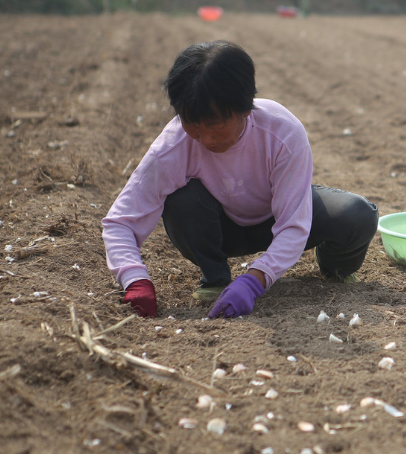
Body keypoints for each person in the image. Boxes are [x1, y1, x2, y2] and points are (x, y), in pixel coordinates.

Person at [102, 40, 379, 319]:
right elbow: (121, 221)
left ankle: (334, 268)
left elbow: (293, 225)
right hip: (219, 229)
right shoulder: (173, 146)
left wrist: (255, 280)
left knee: (356, 214)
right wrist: (135, 280)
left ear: (246, 108)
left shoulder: (282, 132)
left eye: (215, 124)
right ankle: (215, 277)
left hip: (276, 216)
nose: (204, 138)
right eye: (192, 124)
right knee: (181, 199)